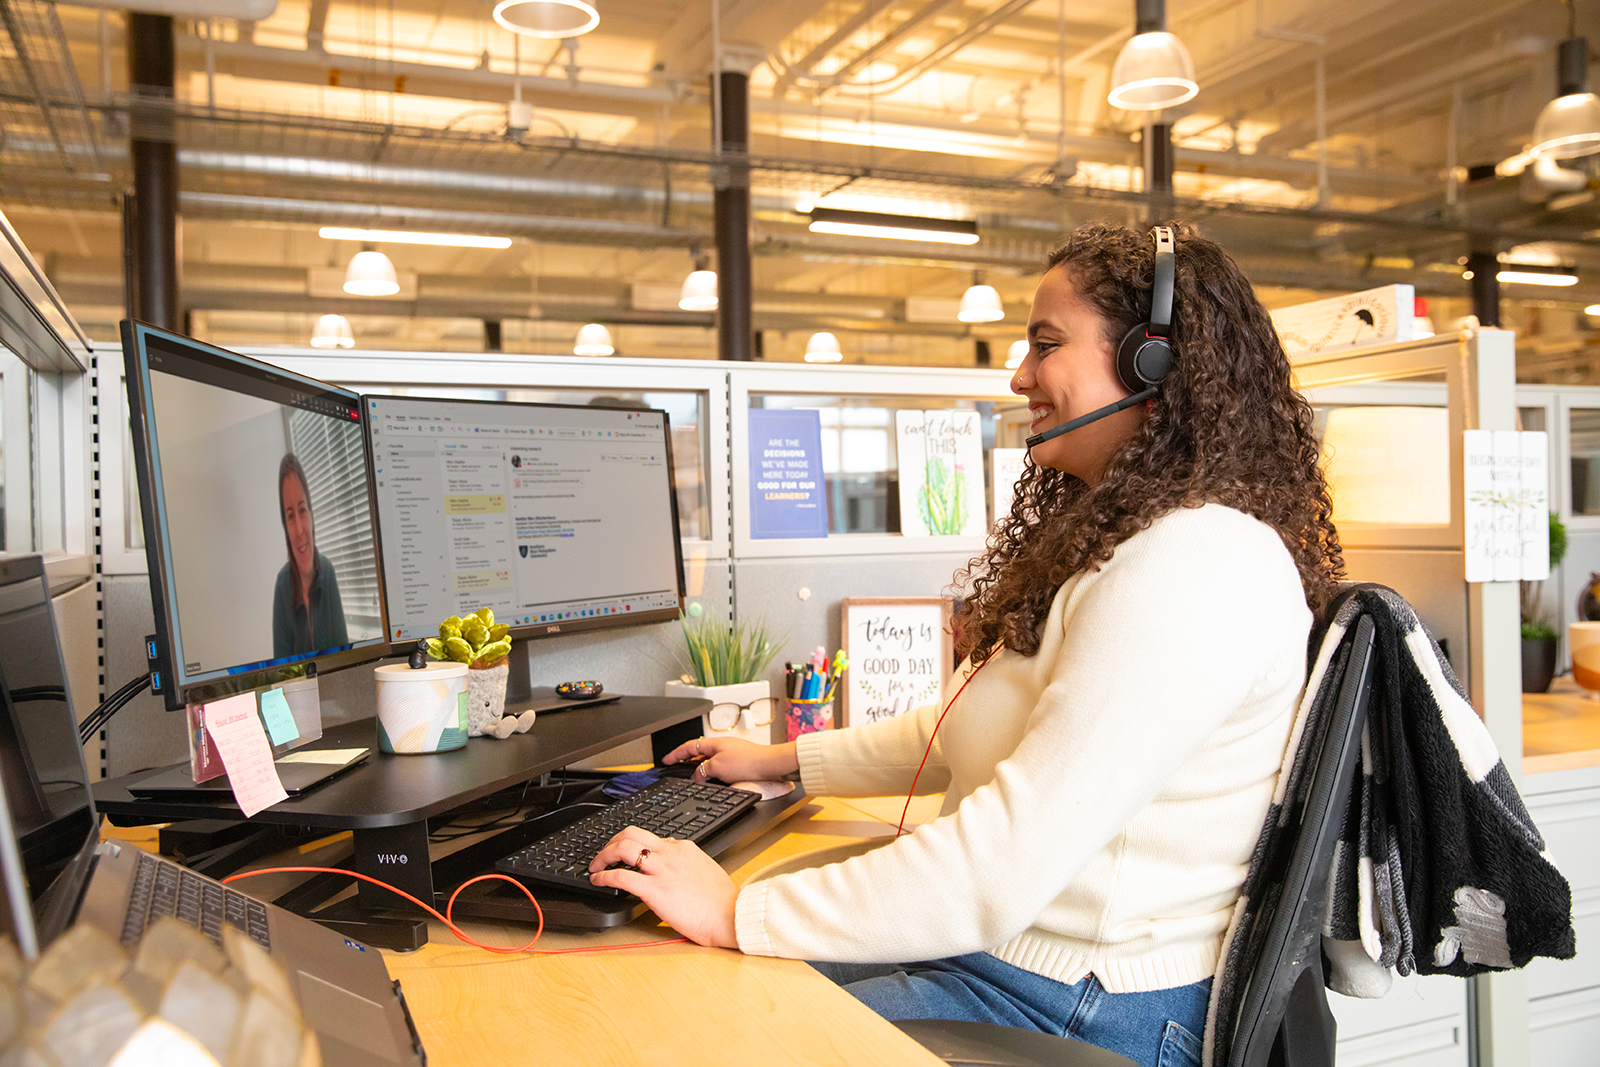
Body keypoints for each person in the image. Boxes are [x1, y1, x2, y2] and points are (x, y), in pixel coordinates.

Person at [588, 223, 1344, 1067]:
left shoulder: (1198, 562)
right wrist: (783, 763)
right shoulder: (1130, 535)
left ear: (1151, 365)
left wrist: (737, 912)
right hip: (1011, 959)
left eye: (1046, 344)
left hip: (1083, 1001)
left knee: (701, 1030)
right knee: (679, 983)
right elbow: (971, 727)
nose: (1019, 375)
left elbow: (1001, 863)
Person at [271, 453, 349, 659]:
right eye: (289, 516)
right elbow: (280, 670)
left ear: (311, 515)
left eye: (302, 510)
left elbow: (345, 653)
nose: (298, 530)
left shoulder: (328, 571)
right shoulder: (282, 585)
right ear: (285, 527)